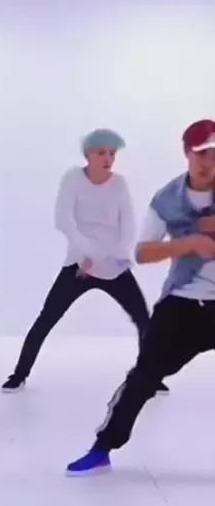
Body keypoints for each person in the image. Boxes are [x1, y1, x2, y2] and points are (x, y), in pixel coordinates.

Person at [66, 119, 215, 476]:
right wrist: (189, 243)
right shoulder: (167, 199)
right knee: (143, 377)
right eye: (201, 153)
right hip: (183, 303)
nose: (208, 162)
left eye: (214, 154)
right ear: (187, 153)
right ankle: (102, 449)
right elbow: (142, 252)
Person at [2, 128, 168, 394]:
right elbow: (64, 220)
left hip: (113, 265)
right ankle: (19, 375)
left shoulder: (119, 184)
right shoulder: (73, 180)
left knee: (143, 319)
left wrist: (119, 256)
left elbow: (128, 225)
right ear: (88, 154)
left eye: (112, 154)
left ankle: (151, 376)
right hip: (80, 266)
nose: (108, 159)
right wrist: (84, 254)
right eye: (102, 153)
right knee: (47, 318)